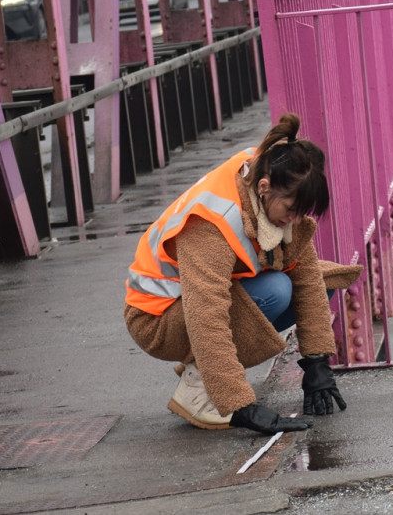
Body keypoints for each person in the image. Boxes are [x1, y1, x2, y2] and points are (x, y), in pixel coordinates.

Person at [124, 113, 362, 435]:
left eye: (301, 213)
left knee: (319, 283)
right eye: (291, 210)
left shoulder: (269, 173)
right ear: (264, 188)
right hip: (158, 319)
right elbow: (206, 315)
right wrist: (239, 404)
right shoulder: (212, 223)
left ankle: (207, 369)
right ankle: (200, 389)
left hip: (193, 304)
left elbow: (306, 276)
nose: (295, 221)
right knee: (276, 290)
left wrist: (317, 362)